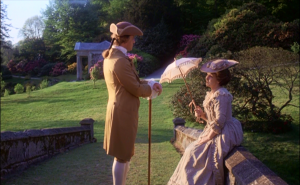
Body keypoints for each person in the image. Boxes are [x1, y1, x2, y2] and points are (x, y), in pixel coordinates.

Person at [102, 21, 162, 185]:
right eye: (133, 38)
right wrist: (153, 90)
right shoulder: (119, 60)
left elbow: (131, 81)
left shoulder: (115, 56)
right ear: (124, 39)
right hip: (122, 112)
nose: (134, 41)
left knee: (124, 155)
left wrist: (150, 83)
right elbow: (135, 88)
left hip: (121, 110)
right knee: (122, 156)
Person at [168, 59, 243, 185]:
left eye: (210, 76)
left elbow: (220, 121)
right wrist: (202, 115)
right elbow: (212, 120)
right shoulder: (212, 94)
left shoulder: (221, 95)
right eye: (207, 75)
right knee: (191, 151)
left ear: (218, 80)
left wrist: (208, 137)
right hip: (216, 129)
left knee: (194, 152)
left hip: (224, 131)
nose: (207, 77)